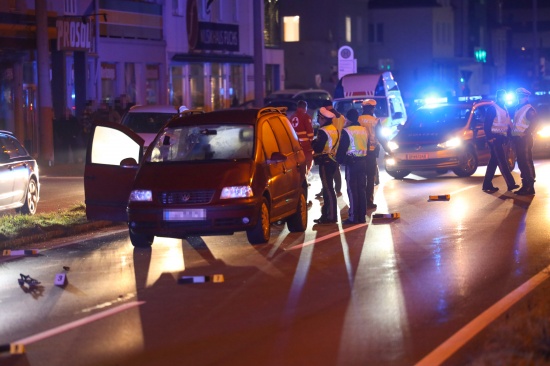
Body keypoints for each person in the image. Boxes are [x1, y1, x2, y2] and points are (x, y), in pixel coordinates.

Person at [482, 90, 519, 193]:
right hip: (494, 139)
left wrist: (510, 135)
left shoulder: (504, 108)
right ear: (498, 97)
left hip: (500, 138)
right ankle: (511, 184)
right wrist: (490, 137)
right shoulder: (492, 109)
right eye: (502, 97)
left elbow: (506, 124)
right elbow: (486, 125)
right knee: (502, 161)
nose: (503, 99)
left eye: (504, 97)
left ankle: (486, 184)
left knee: (493, 162)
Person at [336, 109, 368, 224]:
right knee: (361, 189)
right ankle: (362, 216)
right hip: (363, 162)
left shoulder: (347, 131)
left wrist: (339, 160)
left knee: (352, 190)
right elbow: (367, 146)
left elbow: (342, 149)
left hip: (352, 163)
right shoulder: (364, 130)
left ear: (348, 119)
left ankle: (354, 217)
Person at [358, 99, 390, 209]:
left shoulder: (358, 119)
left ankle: (360, 201)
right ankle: (369, 202)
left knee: (360, 177)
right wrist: (388, 149)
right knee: (370, 177)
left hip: (359, 153)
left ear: (363, 108)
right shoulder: (375, 121)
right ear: (372, 108)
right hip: (371, 152)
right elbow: (381, 137)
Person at [311, 107, 340, 224]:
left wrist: (312, 144)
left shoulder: (323, 131)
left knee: (328, 190)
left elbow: (318, 147)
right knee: (329, 189)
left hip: (325, 161)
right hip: (333, 161)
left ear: (323, 119)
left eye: (319, 117)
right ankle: (326, 215)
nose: (318, 119)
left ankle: (331, 216)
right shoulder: (334, 129)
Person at [511, 87, 538, 196]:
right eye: (518, 96)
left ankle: (530, 187)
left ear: (526, 97)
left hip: (525, 140)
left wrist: (526, 133)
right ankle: (525, 185)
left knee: (526, 162)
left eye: (521, 96)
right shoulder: (518, 108)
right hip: (518, 139)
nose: (519, 98)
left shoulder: (529, 109)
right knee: (521, 163)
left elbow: (534, 123)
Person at [315, 100, 344, 198]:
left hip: (329, 144)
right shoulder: (341, 117)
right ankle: (337, 189)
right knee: (336, 167)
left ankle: (327, 189)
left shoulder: (330, 119)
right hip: (337, 143)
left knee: (329, 173)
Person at [289, 100, 314, 173]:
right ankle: (305, 177)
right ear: (305, 108)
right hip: (305, 144)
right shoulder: (306, 117)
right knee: (307, 160)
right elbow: (310, 131)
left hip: (294, 144)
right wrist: (311, 142)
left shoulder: (292, 117)